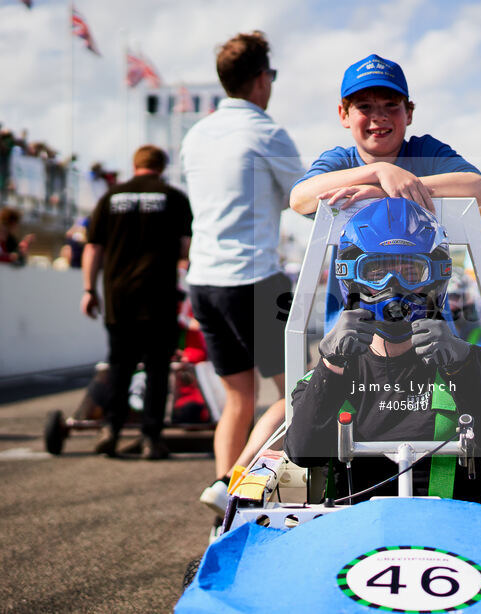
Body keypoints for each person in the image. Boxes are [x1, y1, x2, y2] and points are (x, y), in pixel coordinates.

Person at [285, 198, 481, 503]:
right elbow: (302, 451)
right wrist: (332, 365)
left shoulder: (470, 362)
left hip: (443, 535)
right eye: (377, 270)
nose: (393, 285)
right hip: (355, 535)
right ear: (352, 277)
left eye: (411, 271)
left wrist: (459, 366)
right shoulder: (333, 370)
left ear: (436, 276)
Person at [180, 31, 304, 513]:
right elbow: (306, 200)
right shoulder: (266, 131)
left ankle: (223, 495)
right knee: (301, 392)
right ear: (259, 80)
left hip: (204, 283)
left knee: (237, 399)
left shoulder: (196, 135)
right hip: (253, 280)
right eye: (270, 76)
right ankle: (235, 482)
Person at [81, 145, 192, 459]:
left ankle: (110, 430)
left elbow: (93, 249)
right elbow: (186, 248)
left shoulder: (110, 198)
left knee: (120, 364)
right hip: (157, 294)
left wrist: (90, 290)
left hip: (118, 295)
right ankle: (150, 437)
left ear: (135, 165)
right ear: (162, 167)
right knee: (157, 367)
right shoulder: (173, 198)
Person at [288, 53, 481, 215]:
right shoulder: (339, 161)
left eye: (391, 105)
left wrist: (384, 192)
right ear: (344, 115)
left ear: (409, 113)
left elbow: (479, 188)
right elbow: (299, 199)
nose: (379, 116)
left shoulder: (424, 151)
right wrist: (380, 171)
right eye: (365, 106)